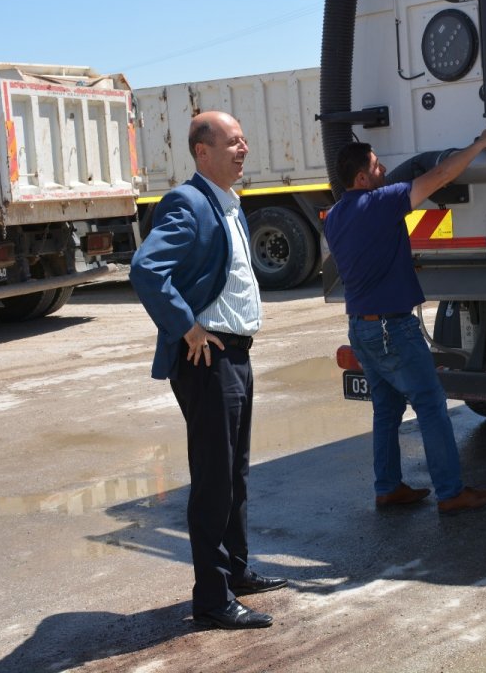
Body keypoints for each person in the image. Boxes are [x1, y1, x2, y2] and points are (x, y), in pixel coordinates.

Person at [129, 111, 286, 630]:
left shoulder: (227, 204)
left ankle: (236, 572)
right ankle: (213, 600)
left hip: (236, 356)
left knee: (235, 475)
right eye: (233, 142)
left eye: (244, 141)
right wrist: (187, 328)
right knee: (214, 481)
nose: (244, 150)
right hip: (207, 360)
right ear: (203, 151)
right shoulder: (188, 202)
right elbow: (146, 269)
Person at [323, 128, 486, 516]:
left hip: (361, 327)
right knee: (431, 405)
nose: (384, 169)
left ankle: (388, 488)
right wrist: (479, 144)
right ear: (362, 177)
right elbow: (439, 176)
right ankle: (451, 492)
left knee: (386, 410)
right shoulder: (381, 202)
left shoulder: (335, 215)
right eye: (377, 165)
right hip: (392, 329)